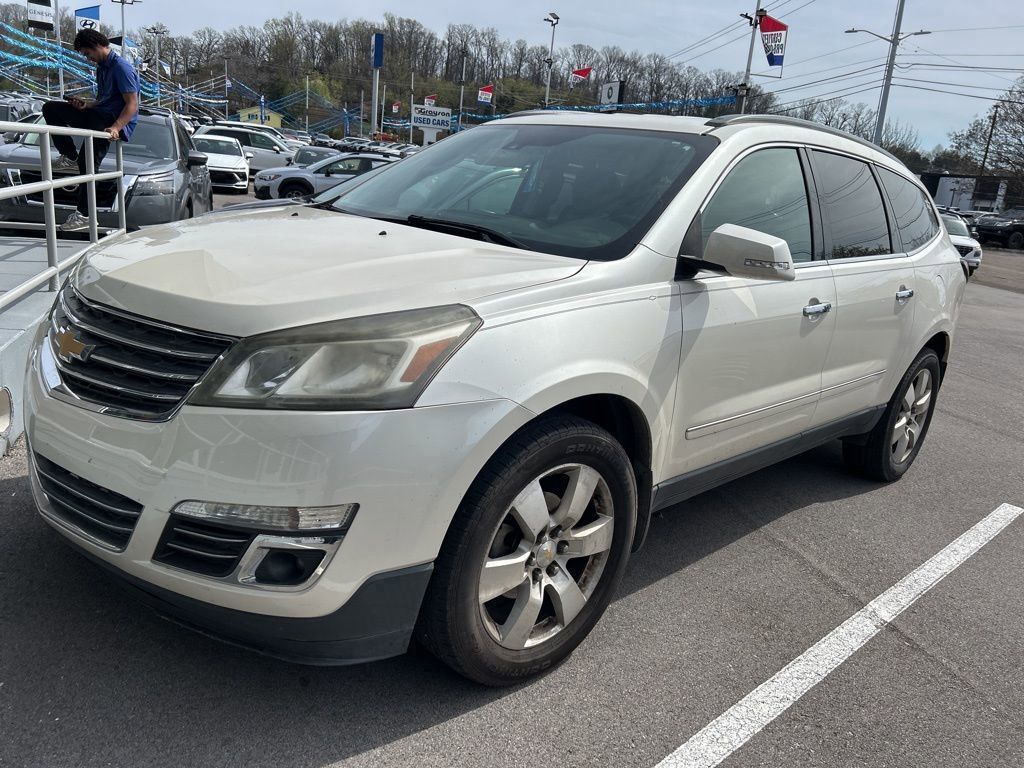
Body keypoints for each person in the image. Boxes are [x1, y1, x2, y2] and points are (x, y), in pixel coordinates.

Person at [41, 29, 139, 232]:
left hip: (110, 122)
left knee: (88, 164)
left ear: (97, 46)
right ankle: (69, 156)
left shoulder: (121, 68)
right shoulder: (102, 68)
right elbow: (105, 100)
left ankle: (85, 215)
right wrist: (86, 105)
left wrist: (116, 127)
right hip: (98, 114)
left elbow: (132, 104)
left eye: (88, 53)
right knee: (50, 108)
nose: (88, 58)